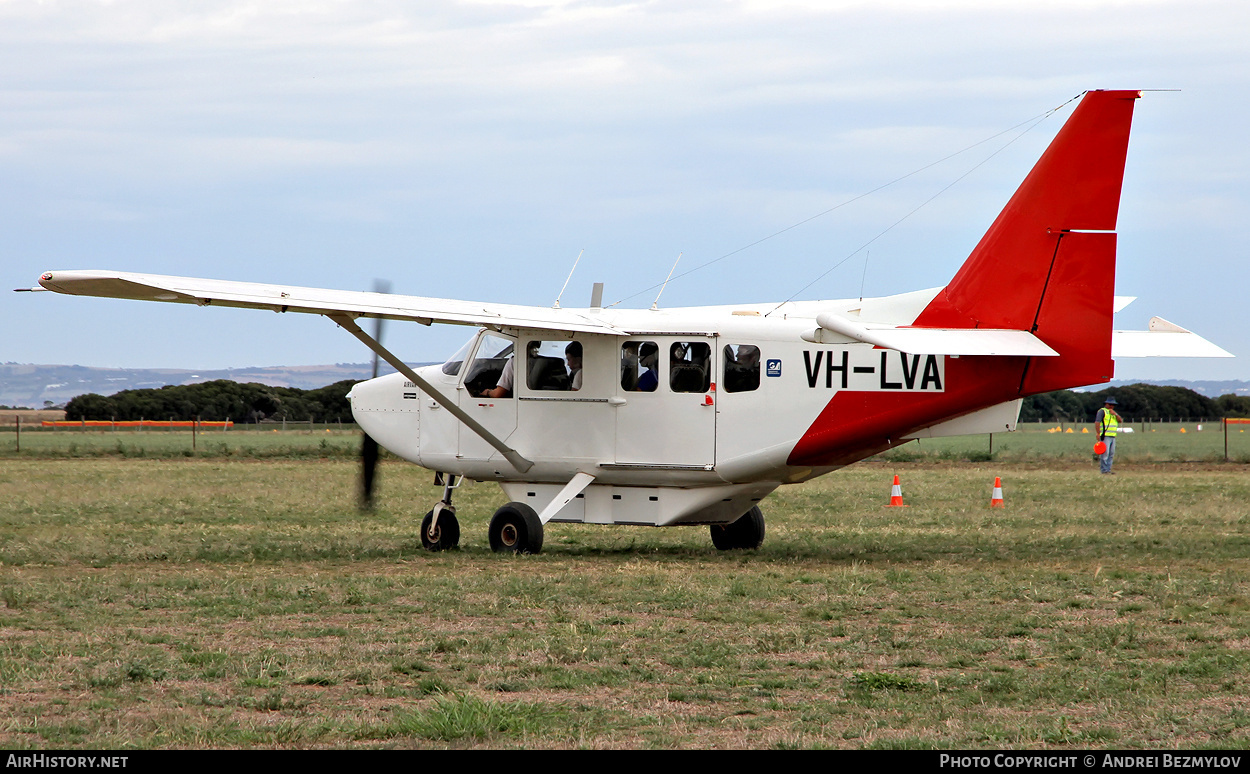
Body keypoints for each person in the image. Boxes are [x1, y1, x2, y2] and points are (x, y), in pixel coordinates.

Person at [1095, 397, 1122, 474]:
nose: (1111, 406)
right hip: (1105, 435)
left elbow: (1120, 421)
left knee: (1111, 454)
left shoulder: (1113, 413)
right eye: (1110, 404)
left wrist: (1115, 414)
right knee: (1105, 454)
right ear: (1106, 404)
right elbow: (1097, 422)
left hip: (1113, 436)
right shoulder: (1102, 411)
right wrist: (1098, 433)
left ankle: (1108, 469)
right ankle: (1104, 470)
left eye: (1113, 405)